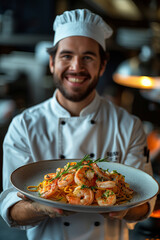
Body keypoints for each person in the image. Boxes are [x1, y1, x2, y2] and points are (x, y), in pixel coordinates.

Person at [0, 8, 156, 240]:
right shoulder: (23, 126)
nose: (76, 67)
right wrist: (40, 207)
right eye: (66, 56)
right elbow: (11, 209)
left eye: (88, 57)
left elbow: (144, 203)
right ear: (52, 62)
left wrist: (125, 207)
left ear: (102, 66)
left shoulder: (128, 125)